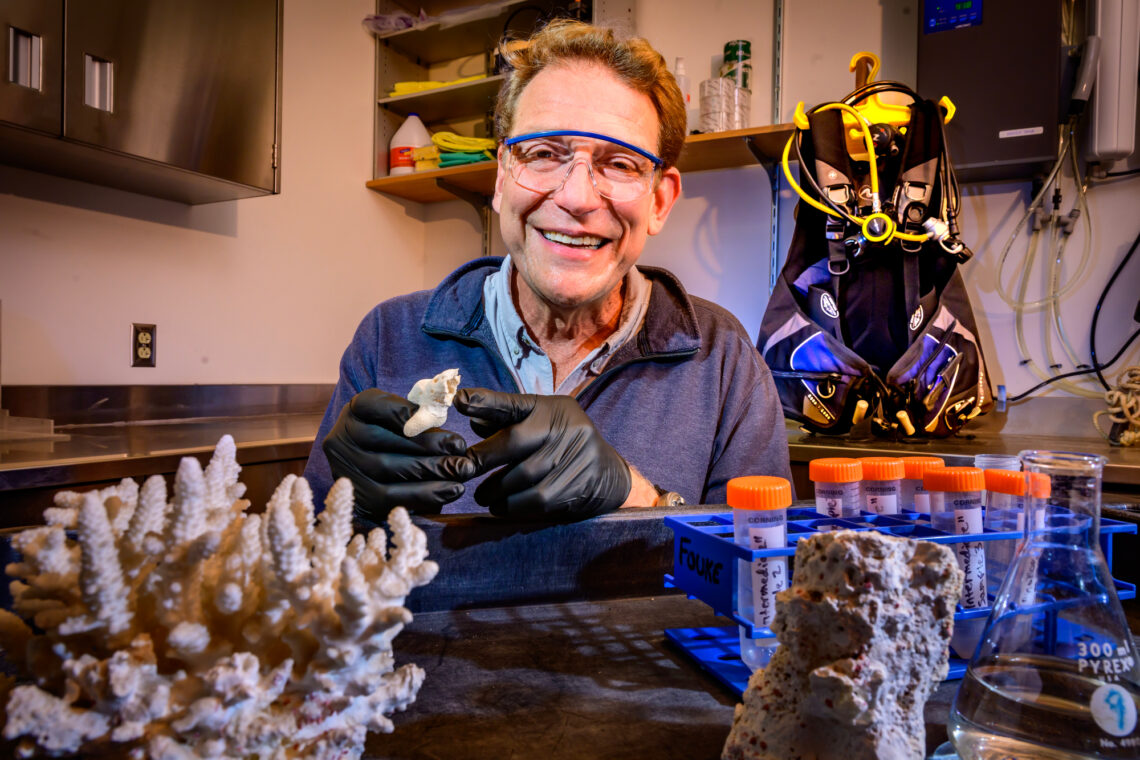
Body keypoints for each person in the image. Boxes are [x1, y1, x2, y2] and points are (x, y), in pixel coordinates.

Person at [303, 19, 792, 522]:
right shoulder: (388, 339)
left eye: (620, 164)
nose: (576, 198)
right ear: (501, 178)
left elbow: (763, 562)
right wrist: (344, 514)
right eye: (542, 154)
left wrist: (640, 497)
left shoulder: (724, 362)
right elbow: (306, 556)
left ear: (660, 200)